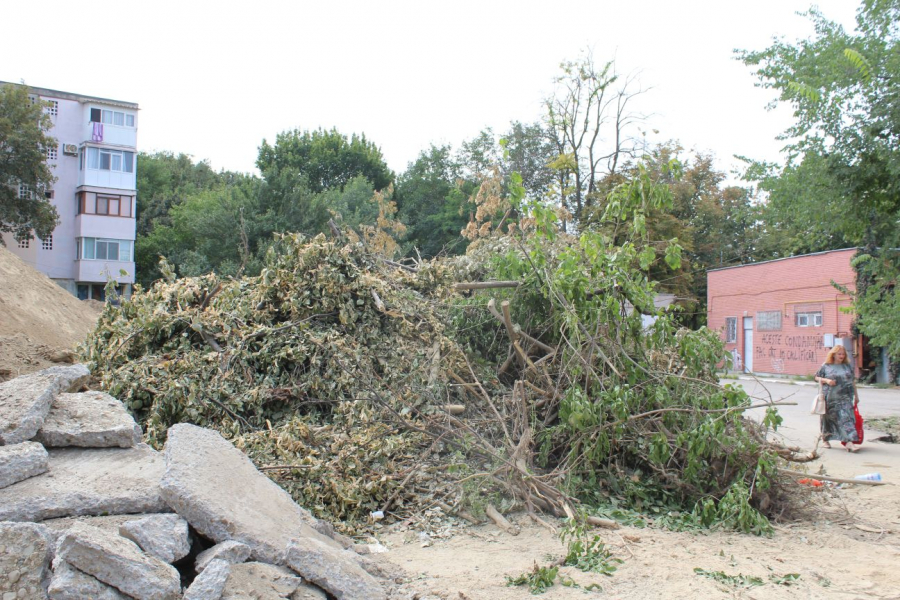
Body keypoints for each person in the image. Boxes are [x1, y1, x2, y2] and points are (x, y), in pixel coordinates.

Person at [815, 345, 861, 452]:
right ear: (834, 354)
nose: (841, 356)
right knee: (828, 419)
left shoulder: (847, 366)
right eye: (839, 354)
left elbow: (852, 381)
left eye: (843, 354)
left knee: (847, 418)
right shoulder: (826, 366)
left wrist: (856, 396)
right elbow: (816, 377)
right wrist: (827, 381)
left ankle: (849, 442)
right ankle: (825, 439)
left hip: (845, 397)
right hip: (830, 397)